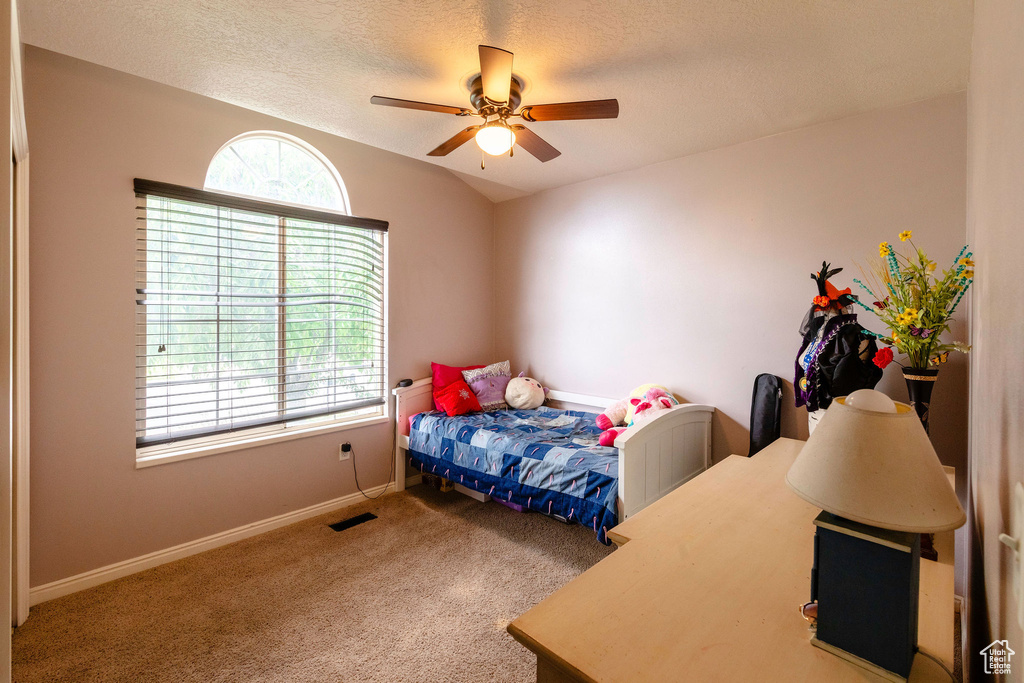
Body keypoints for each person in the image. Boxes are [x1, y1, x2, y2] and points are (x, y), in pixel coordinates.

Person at [794, 262, 883, 433]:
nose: (824, 312)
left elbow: (851, 382)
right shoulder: (816, 335)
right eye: (822, 308)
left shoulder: (857, 337)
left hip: (842, 418)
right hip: (814, 414)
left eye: (828, 308)